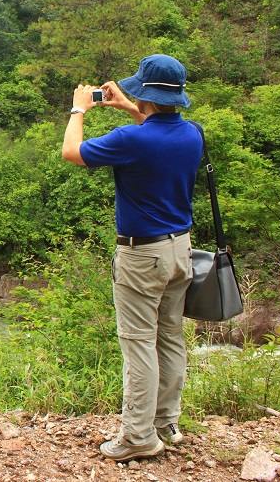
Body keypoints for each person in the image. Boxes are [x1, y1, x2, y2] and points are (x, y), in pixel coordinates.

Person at [61, 54, 203, 461]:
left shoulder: (131, 139)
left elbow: (72, 152)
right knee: (170, 337)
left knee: (138, 344)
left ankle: (138, 438)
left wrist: (79, 109)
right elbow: (157, 131)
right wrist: (129, 106)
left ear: (145, 94)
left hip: (143, 256)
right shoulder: (193, 134)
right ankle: (164, 423)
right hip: (181, 251)